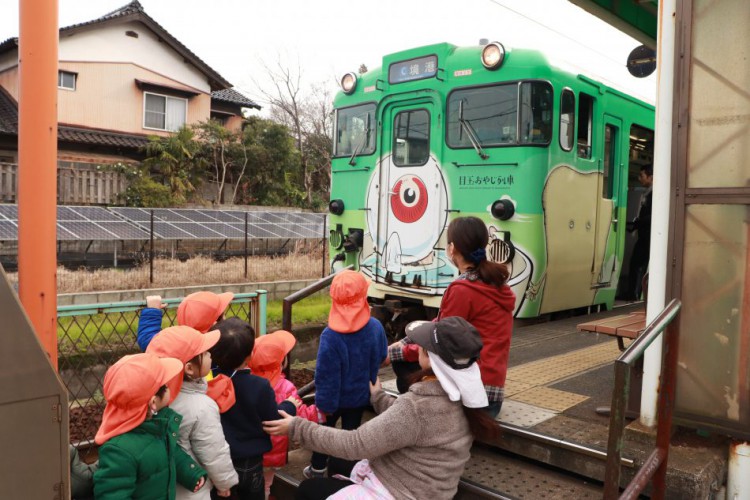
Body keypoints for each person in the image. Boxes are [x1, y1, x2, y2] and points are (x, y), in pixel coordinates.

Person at [263, 316, 499, 500]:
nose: (417, 348)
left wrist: (296, 427)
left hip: (402, 491)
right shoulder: (464, 398)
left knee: (308, 490)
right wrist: (379, 397)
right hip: (432, 489)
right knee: (337, 462)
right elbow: (409, 423)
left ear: (431, 358)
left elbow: (354, 443)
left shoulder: (418, 406)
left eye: (422, 346)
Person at [389, 216, 515, 417]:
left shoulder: (462, 289)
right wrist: (404, 341)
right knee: (403, 352)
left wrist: (396, 353)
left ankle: (417, 417)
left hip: (473, 399)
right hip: (491, 393)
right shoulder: (494, 283)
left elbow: (440, 343)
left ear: (452, 248)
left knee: (403, 362)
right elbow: (440, 325)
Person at [305, 270, 388, 479]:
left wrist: (324, 404)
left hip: (332, 401)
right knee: (351, 434)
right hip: (360, 395)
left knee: (324, 435)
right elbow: (381, 355)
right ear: (363, 297)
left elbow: (325, 375)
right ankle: (345, 471)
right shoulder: (375, 327)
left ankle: (317, 469)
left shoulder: (330, 336)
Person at [93, 353, 207, 500]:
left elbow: (169, 452)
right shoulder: (118, 451)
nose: (169, 386)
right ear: (153, 402)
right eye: (165, 386)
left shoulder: (156, 425)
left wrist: (190, 472)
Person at [211, 317, 299, 500]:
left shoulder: (208, 381)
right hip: (249, 461)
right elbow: (272, 419)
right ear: (250, 355)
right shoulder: (259, 385)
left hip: (217, 460)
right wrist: (289, 405)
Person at [146, 326, 239, 499]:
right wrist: (224, 483)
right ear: (189, 369)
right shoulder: (202, 407)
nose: (211, 355)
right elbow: (214, 451)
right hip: (194, 488)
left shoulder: (151, 399)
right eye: (205, 353)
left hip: (165, 487)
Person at [249, 329, 324, 498]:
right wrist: (320, 412)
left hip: (248, 450)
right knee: (266, 483)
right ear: (282, 362)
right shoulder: (285, 388)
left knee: (249, 480)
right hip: (272, 451)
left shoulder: (246, 382)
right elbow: (300, 413)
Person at [137, 291, 234, 351]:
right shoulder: (228, 346)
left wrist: (152, 311)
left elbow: (150, 342)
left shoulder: (180, 349)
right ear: (215, 323)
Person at [626, 164, 653, 301]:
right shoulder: (648, 192)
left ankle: (633, 295)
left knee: (637, 264)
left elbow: (652, 215)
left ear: (651, 177)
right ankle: (634, 294)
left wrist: (638, 222)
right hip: (645, 235)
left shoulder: (654, 193)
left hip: (647, 236)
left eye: (642, 175)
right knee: (638, 264)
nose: (639, 178)